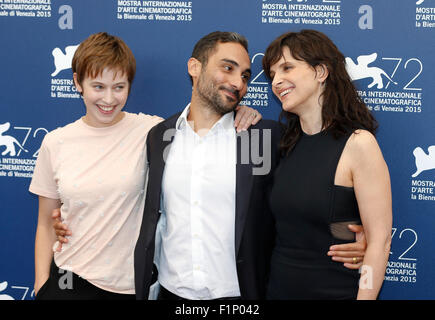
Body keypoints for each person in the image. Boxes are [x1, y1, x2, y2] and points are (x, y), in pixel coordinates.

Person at [132, 31, 368, 300]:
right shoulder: (160, 136)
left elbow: (310, 193)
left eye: (244, 75)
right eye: (228, 68)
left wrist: (356, 238)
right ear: (194, 67)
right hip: (170, 292)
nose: (238, 83)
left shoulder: (264, 137)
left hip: (240, 297)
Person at [30, 32, 261, 300]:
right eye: (98, 86)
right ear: (77, 83)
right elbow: (46, 223)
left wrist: (243, 112)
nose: (108, 99)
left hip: (130, 286)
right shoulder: (55, 142)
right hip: (68, 281)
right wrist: (41, 286)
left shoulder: (154, 131)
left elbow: (202, 119)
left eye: (119, 87)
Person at [262, 29, 392, 299]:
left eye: (287, 68)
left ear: (321, 72)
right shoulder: (284, 144)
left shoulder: (359, 144)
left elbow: (379, 242)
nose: (276, 81)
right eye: (272, 74)